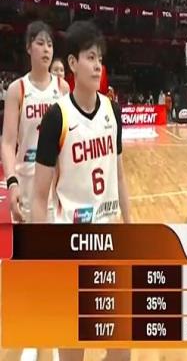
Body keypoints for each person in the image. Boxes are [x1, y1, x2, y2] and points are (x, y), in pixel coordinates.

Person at [31, 20, 130, 361]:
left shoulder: (112, 111)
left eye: (100, 58)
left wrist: (130, 225)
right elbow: (39, 195)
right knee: (73, 350)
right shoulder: (56, 118)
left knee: (121, 349)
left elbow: (119, 174)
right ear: (72, 63)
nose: (98, 65)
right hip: (70, 242)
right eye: (90, 57)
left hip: (110, 241)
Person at [1, 21, 69, 224]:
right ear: (29, 47)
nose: (46, 49)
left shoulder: (63, 88)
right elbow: (7, 142)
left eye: (50, 44)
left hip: (56, 186)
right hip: (26, 183)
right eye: (40, 43)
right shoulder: (17, 89)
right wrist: (12, 182)